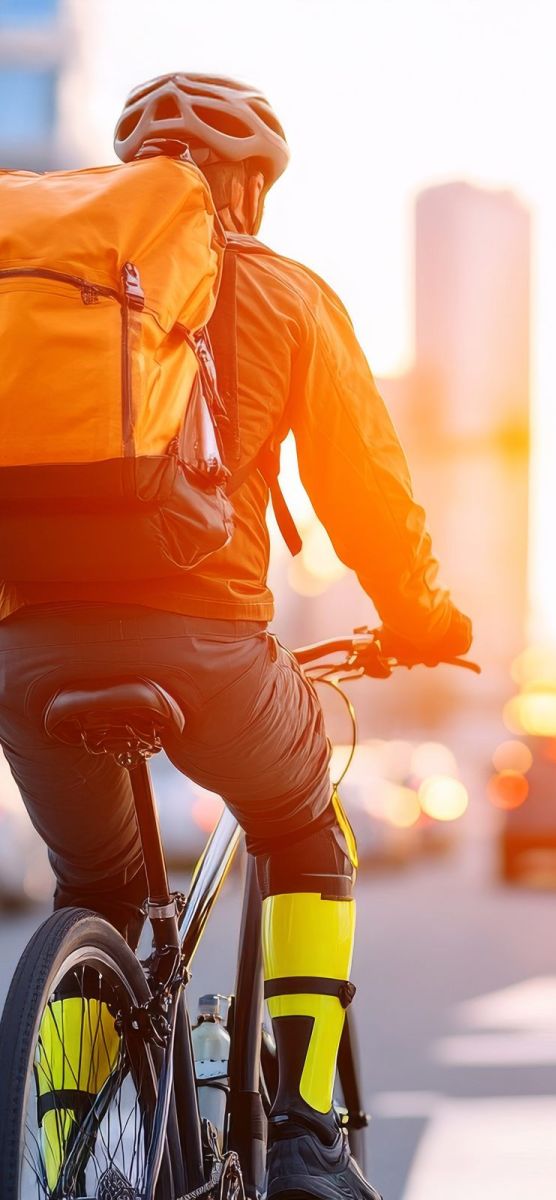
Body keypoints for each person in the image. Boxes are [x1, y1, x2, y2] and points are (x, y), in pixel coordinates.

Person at [0, 73, 472, 1200]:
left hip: (27, 658)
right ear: (252, 188)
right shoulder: (282, 292)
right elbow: (367, 495)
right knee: (305, 825)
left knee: (98, 895)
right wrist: (421, 619)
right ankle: (308, 1130)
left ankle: (68, 1145)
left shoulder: (40, 296)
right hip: (206, 649)